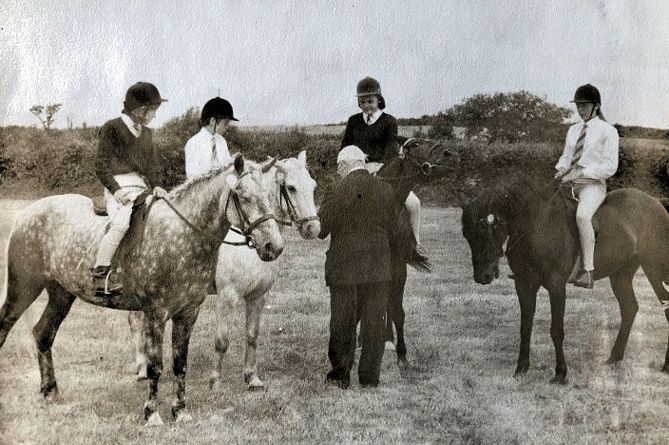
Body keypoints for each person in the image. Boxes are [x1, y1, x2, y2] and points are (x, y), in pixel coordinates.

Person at [318, 145, 398, 389]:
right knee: (375, 324)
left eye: (338, 168)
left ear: (343, 165)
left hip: (344, 267)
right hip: (378, 267)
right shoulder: (385, 189)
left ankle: (341, 375)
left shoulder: (337, 189)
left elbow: (322, 229)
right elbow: (394, 229)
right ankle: (370, 378)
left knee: (342, 322)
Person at [92, 81, 168, 297]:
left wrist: (159, 186)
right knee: (120, 224)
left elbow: (152, 166)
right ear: (140, 109)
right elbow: (101, 166)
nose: (154, 116)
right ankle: (101, 274)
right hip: (119, 186)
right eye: (153, 110)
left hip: (141, 186)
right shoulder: (112, 127)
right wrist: (115, 190)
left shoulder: (147, 134)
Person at [341, 77, 426, 260]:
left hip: (382, 171)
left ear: (379, 99)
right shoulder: (353, 121)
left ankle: (416, 243)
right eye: (362, 102)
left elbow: (390, 151)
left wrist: (379, 169)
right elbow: (345, 147)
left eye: (370, 101)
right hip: (357, 170)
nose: (366, 106)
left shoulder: (389, 121)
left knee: (414, 203)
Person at [555, 84, 619, 289]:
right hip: (567, 183)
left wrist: (583, 172)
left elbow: (610, 167)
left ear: (596, 106)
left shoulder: (608, 131)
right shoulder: (573, 130)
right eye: (578, 106)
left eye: (584, 105)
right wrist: (561, 169)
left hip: (592, 186)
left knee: (582, 216)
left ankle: (587, 271)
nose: (580, 110)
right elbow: (566, 157)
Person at [184, 97, 237, 179]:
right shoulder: (193, 143)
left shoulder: (222, 141)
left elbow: (227, 170)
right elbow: (193, 178)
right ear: (212, 121)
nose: (227, 127)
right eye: (225, 123)